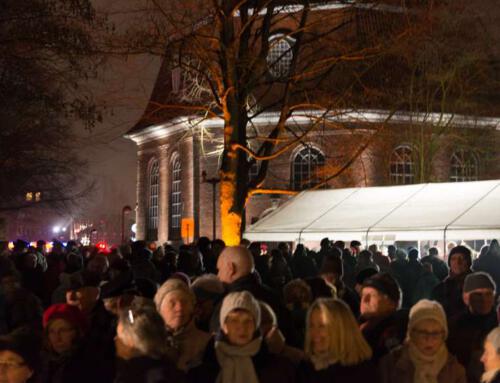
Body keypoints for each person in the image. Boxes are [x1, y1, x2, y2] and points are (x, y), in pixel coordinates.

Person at [189, 291, 295, 383]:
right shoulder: (203, 371)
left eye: (248, 321)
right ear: (224, 325)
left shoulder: (279, 369)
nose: (242, 327)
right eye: (234, 321)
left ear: (256, 325)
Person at [215, 246, 297, 346]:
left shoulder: (228, 303)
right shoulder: (273, 297)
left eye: (219, 269)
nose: (218, 276)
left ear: (230, 268)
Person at [379, 299, 466, 383]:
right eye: (423, 332)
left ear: (443, 335)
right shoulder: (390, 365)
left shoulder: (455, 371)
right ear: (411, 333)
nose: (429, 339)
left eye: (435, 333)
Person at [297, 298, 377, 383]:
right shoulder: (306, 368)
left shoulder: (363, 372)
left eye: (322, 326)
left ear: (341, 329)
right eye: (311, 325)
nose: (314, 332)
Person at [447, 272, 498, 383]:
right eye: (478, 294)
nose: (484, 299)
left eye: (488, 294)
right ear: (466, 297)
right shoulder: (454, 325)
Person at [114, 305, 186, 383]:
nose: (115, 339)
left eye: (118, 335)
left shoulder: (128, 377)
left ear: (133, 340)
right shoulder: (173, 371)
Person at [41, 303, 106, 383]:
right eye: (52, 332)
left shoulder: (89, 365)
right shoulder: (44, 364)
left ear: (77, 332)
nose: (57, 338)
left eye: (63, 331)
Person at [154, 278, 210, 371]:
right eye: (172, 303)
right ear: (159, 309)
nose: (179, 308)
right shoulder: (149, 344)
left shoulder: (208, 343)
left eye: (184, 302)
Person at [359, 272, 408, 361]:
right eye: (363, 295)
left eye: (372, 295)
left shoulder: (393, 333)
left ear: (391, 303)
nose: (365, 300)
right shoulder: (358, 325)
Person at [432, 245, 473, 317]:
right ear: (449, 263)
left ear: (468, 262)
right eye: (453, 259)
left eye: (462, 258)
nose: (457, 262)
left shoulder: (478, 286)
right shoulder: (440, 288)